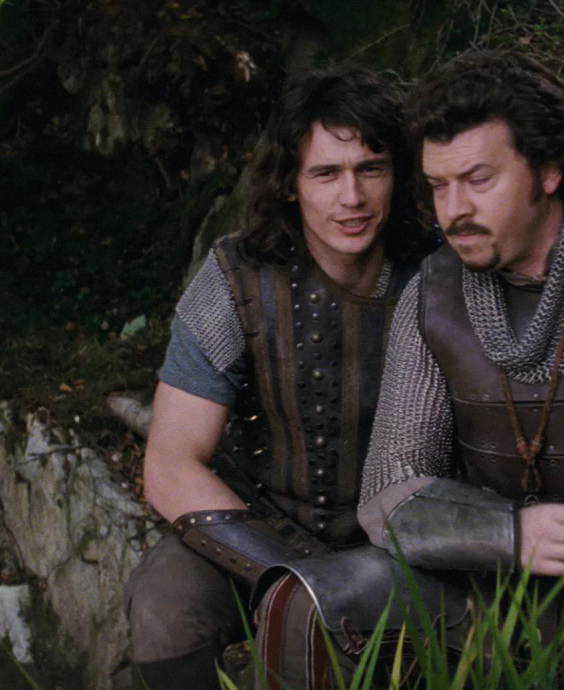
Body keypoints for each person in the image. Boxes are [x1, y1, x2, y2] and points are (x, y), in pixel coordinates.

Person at [255, 50, 564, 687]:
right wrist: (508, 532)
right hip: (489, 592)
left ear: (548, 170)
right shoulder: (435, 291)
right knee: (303, 602)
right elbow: (390, 496)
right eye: (438, 185)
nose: (454, 210)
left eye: (478, 179)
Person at [124, 65, 434, 689]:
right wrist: (290, 576)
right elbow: (170, 464)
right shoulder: (236, 277)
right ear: (291, 183)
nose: (352, 197)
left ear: (397, 175)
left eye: (370, 169)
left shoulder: (438, 273)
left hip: (398, 545)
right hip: (257, 530)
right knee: (165, 606)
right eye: (326, 173)